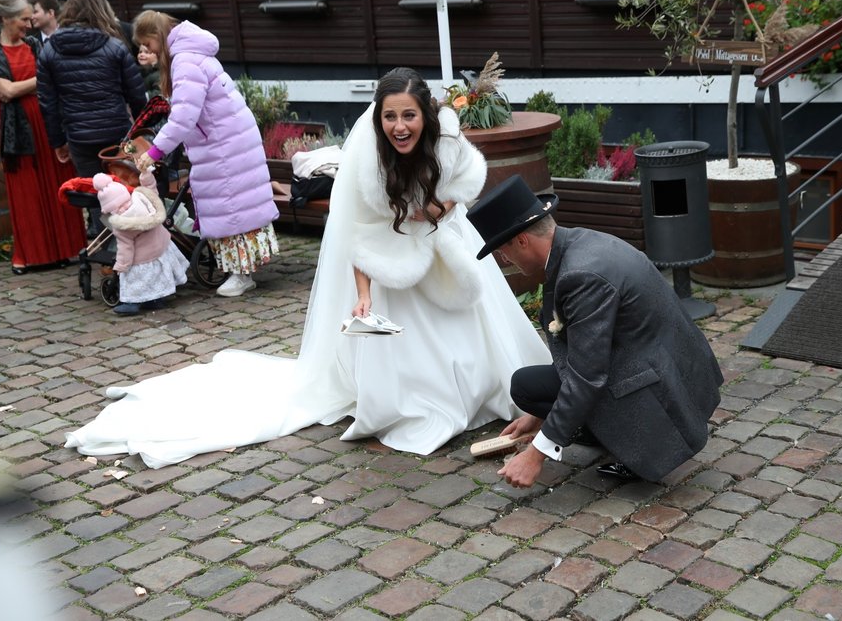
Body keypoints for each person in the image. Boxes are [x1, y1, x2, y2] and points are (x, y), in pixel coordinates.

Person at [64, 67, 551, 469]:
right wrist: (363, 295)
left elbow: (462, 187)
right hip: (393, 260)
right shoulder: (370, 165)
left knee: (476, 326)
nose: (400, 126)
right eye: (390, 117)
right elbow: (361, 237)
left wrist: (436, 213)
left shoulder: (447, 144)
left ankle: (485, 385)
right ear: (378, 119)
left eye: (409, 116)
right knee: (408, 349)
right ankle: (430, 399)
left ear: (425, 115)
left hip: (446, 245)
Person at [466, 175, 724, 489]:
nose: (503, 260)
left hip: (660, 390)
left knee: (542, 386)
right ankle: (593, 428)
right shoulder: (577, 243)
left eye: (501, 251)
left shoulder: (580, 275)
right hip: (668, 364)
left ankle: (639, 444)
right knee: (527, 388)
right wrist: (540, 416)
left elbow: (587, 376)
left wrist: (537, 453)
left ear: (521, 240)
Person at [133, 12, 279, 297]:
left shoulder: (185, 61)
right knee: (233, 204)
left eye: (148, 43)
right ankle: (240, 269)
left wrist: (155, 150)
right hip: (226, 140)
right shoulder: (191, 52)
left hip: (223, 144)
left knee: (232, 207)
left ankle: (242, 273)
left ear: (157, 35)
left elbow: (184, 117)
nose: (148, 50)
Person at [0, 0, 85, 274]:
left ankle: (65, 249)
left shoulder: (34, 43)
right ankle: (32, 255)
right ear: (5, 18)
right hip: (19, 127)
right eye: (24, 19)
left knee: (56, 183)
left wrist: (17, 88)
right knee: (26, 189)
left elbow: (15, 88)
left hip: (46, 120)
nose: (29, 25)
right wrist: (36, 81)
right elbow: (8, 90)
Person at [36, 0, 147, 238]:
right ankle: (134, 250)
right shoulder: (115, 47)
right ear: (101, 10)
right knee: (125, 189)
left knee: (96, 193)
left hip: (79, 136)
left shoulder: (49, 51)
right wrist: (141, 132)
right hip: (117, 132)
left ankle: (106, 255)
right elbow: (136, 94)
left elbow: (48, 102)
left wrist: (58, 142)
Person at [94, 169, 189, 315]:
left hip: (143, 257)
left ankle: (132, 303)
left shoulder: (123, 225)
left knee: (136, 279)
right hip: (162, 246)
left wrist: (121, 266)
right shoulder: (143, 199)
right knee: (158, 275)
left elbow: (126, 249)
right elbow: (151, 188)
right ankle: (156, 299)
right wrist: (146, 174)